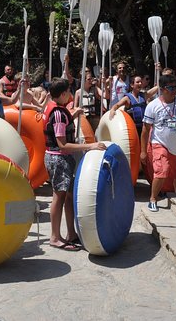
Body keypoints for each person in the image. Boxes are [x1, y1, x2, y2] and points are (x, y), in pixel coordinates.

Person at [44, 77, 105, 250]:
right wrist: (90, 145)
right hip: (58, 159)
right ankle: (55, 237)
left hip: (62, 158)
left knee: (69, 196)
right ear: (63, 94)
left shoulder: (58, 109)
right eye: (69, 92)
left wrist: (73, 114)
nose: (71, 95)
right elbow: (63, 144)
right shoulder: (57, 114)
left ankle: (71, 233)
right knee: (59, 196)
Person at [141, 73, 176, 211]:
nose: (174, 90)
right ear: (162, 89)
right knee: (162, 171)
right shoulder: (153, 106)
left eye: (175, 87)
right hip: (159, 143)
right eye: (170, 88)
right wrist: (143, 151)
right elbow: (145, 130)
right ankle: (153, 198)